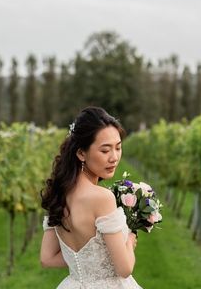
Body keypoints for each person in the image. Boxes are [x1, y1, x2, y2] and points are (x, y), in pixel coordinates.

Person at [40, 107, 142, 289]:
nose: (114, 157)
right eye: (105, 151)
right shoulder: (102, 198)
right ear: (81, 153)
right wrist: (130, 239)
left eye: (118, 147)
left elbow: (47, 258)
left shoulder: (59, 194)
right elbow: (125, 268)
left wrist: (88, 262)